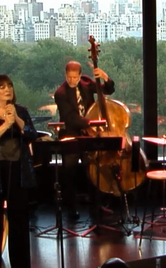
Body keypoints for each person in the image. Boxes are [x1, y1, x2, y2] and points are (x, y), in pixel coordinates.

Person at [0, 74, 38, 268]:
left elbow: (32, 134)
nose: (7, 90)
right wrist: (5, 125)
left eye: (9, 86)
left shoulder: (20, 111)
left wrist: (17, 120)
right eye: (2, 87)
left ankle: (21, 264)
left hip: (18, 169)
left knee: (19, 219)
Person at [53, 60, 115, 220]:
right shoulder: (60, 93)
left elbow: (107, 91)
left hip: (89, 135)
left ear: (80, 76)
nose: (72, 80)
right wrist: (92, 123)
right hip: (71, 134)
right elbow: (70, 118)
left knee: (93, 171)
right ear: (65, 75)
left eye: (75, 77)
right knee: (69, 173)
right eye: (69, 77)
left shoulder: (86, 83)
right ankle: (72, 208)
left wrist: (105, 77)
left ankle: (97, 206)